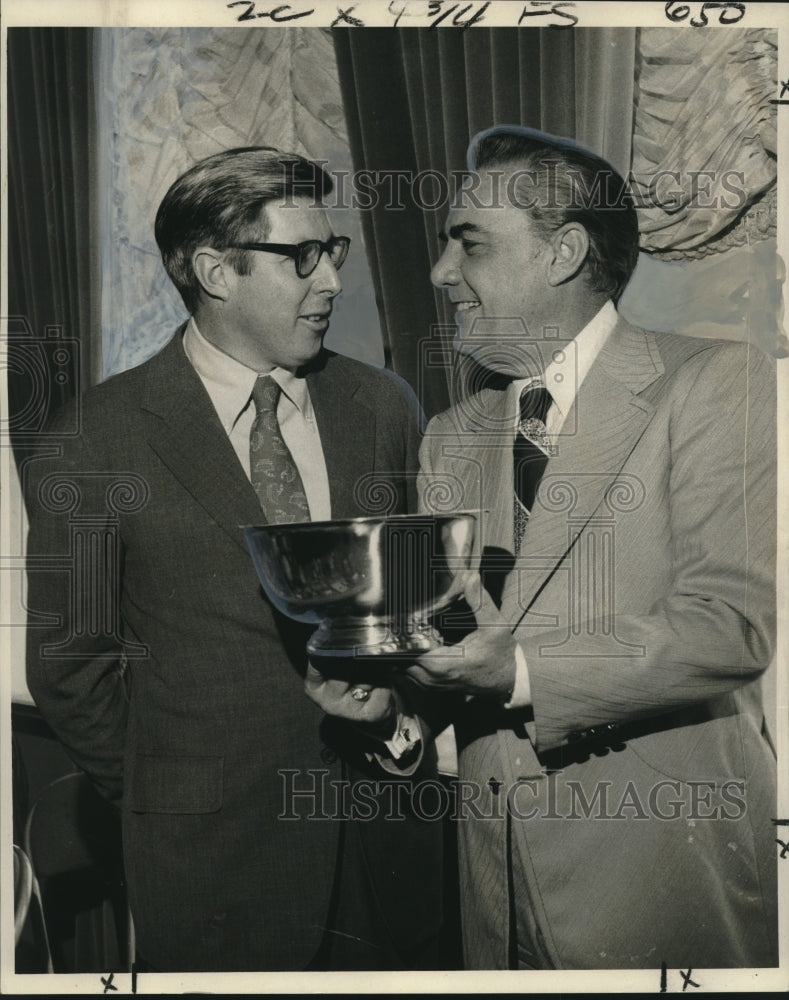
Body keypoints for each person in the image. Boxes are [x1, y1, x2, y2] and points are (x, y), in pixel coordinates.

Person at [308, 125, 778, 970]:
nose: (440, 274)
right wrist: (391, 720)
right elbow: (455, 651)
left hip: (657, 884)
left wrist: (523, 674)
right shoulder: (449, 437)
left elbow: (727, 628)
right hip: (494, 899)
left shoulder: (712, 381)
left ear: (563, 252)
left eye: (469, 244)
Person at [23, 146, 444, 973]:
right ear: (216, 270)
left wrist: (399, 733)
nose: (330, 281)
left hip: (388, 854)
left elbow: (420, 611)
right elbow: (72, 671)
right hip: (213, 876)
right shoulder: (97, 442)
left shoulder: (382, 406)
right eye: (301, 258)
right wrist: (173, 801)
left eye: (334, 253)